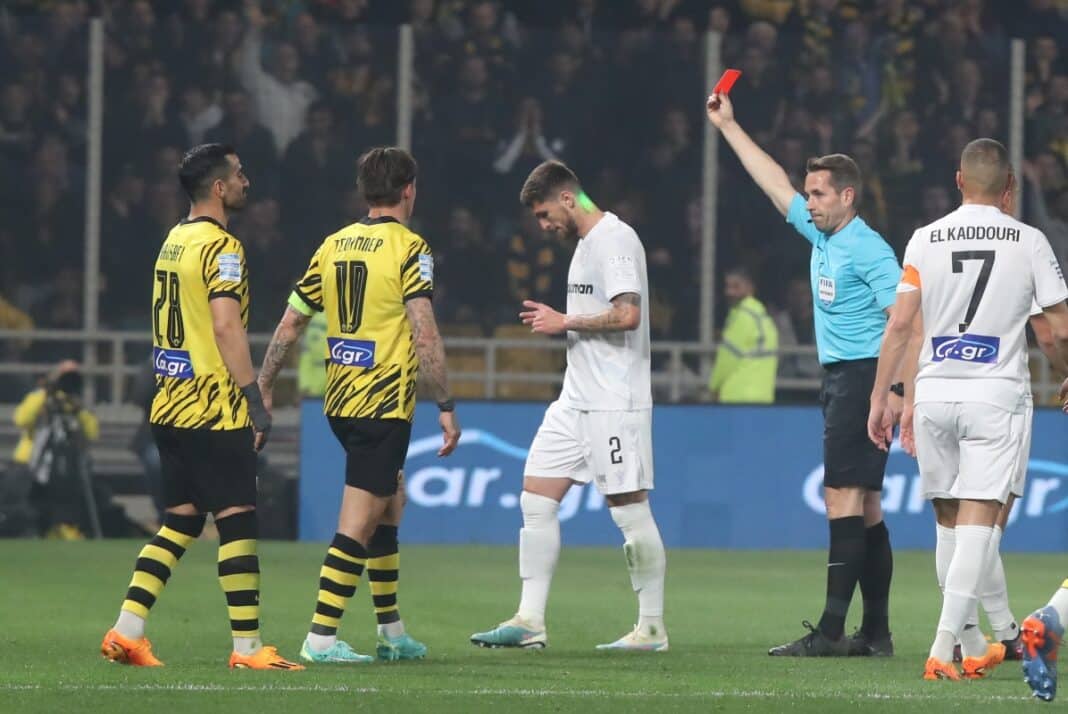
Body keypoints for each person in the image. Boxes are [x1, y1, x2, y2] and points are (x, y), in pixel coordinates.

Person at [706, 91, 901, 657]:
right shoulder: (824, 235)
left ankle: (832, 632)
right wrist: (729, 126)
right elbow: (774, 184)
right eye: (808, 193)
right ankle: (877, 634)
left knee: (842, 496)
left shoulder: (869, 250)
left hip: (863, 378)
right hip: (846, 379)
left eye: (818, 194)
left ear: (847, 196)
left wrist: (893, 391)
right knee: (865, 507)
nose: (808, 202)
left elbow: (906, 322)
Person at [865, 138, 1068, 682]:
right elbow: (1057, 331)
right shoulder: (1028, 240)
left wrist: (882, 396)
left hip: (934, 392)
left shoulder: (924, 239)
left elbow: (901, 324)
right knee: (981, 523)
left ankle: (978, 640)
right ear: (1010, 187)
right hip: (994, 395)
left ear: (959, 180)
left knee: (949, 524)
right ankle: (942, 647)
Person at [100, 144, 301, 671]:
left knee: (180, 523)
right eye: (239, 174)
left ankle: (126, 630)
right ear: (218, 187)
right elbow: (225, 325)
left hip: (169, 403)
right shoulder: (222, 247)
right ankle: (248, 649)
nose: (245, 181)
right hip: (212, 406)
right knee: (238, 522)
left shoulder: (174, 239)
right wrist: (253, 397)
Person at [257, 146, 460, 664]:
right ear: (408, 190)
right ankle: (321, 638)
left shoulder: (333, 244)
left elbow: (291, 323)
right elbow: (424, 331)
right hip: (381, 404)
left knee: (391, 503)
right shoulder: (410, 248)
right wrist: (445, 402)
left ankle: (392, 632)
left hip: (340, 399)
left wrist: (263, 384)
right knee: (359, 521)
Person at [469, 160, 668, 652]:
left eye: (544, 214)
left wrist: (565, 322)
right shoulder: (584, 245)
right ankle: (529, 620)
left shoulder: (614, 240)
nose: (542, 226)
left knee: (629, 509)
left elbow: (628, 314)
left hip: (614, 401)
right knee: (536, 498)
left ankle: (651, 628)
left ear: (566, 198)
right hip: (575, 398)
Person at [14, 360, 99, 538]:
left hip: (66, 466)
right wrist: (46, 394)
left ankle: (66, 528)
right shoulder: (39, 397)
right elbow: (22, 419)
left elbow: (92, 433)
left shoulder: (76, 404)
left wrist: (77, 409)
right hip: (32, 463)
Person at [707, 266, 778, 403]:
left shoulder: (744, 316)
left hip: (737, 397)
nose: (729, 292)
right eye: (727, 287)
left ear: (750, 288)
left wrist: (713, 387)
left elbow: (727, 358)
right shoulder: (761, 316)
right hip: (763, 396)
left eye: (736, 287)